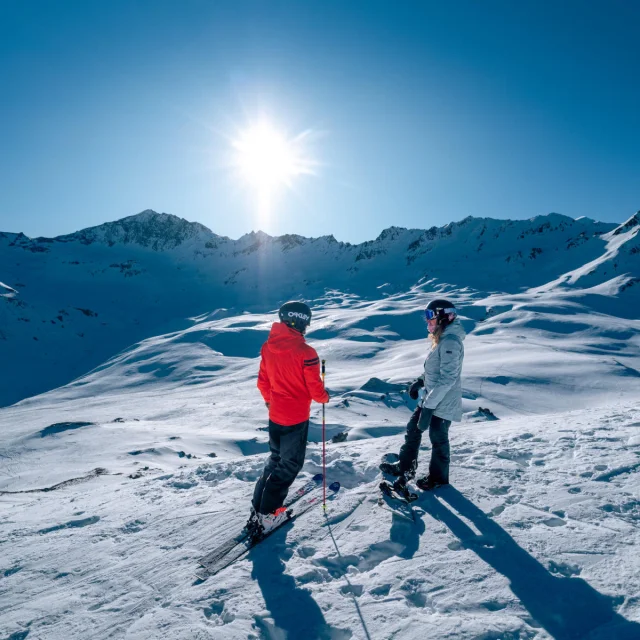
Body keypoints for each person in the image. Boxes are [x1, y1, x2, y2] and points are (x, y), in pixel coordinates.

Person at [248, 301, 329, 538]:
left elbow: (262, 381)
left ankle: (258, 508)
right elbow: (315, 391)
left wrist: (270, 402)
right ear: (302, 321)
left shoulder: (268, 346)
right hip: (295, 418)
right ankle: (269, 514)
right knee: (289, 465)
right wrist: (325, 397)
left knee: (275, 461)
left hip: (275, 415)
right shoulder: (306, 352)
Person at [380, 299, 465, 492]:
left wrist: (428, 406)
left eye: (430, 318)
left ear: (444, 318)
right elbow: (434, 372)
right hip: (431, 397)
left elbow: (448, 379)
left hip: (442, 402)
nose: (427, 323)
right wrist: (420, 381)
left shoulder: (450, 341)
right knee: (413, 429)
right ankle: (405, 467)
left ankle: (438, 479)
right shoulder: (442, 339)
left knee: (438, 438)